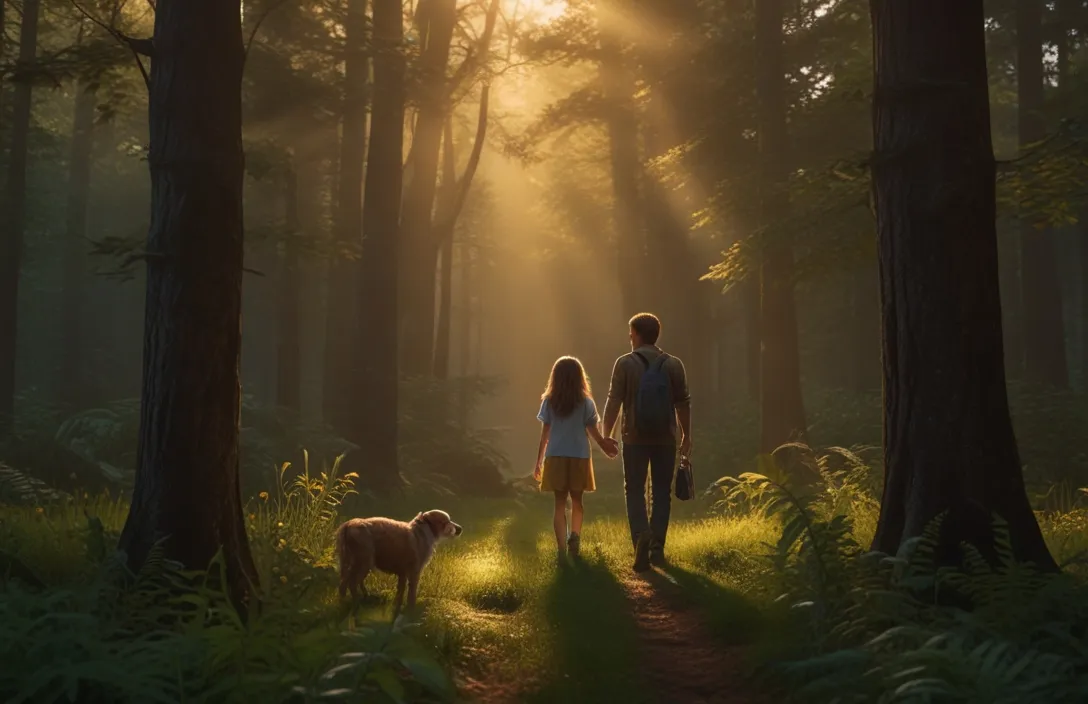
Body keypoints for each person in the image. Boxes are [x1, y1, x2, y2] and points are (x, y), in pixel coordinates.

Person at [602, 313, 691, 572]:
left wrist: (606, 434)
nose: (629, 338)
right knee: (662, 492)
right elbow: (683, 403)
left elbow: (613, 401)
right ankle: (657, 549)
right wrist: (687, 435)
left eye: (631, 333)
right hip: (666, 438)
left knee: (635, 490)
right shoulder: (674, 364)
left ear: (638, 334)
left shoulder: (625, 364)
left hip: (634, 437)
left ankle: (641, 536)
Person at [534, 356, 619, 563]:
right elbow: (593, 432)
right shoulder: (586, 402)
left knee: (559, 504)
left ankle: (561, 550)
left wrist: (538, 461)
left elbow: (545, 434)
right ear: (580, 377)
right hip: (580, 456)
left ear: (555, 377)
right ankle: (575, 537)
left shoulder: (549, 402)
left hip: (555, 456)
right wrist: (605, 446)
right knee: (578, 502)